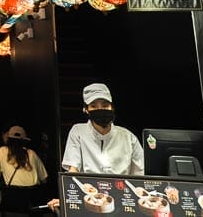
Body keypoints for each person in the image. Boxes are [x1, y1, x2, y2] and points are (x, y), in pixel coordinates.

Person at [47, 83, 144, 213]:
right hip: (88, 201)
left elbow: (139, 175)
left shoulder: (128, 137)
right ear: (86, 110)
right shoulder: (77, 131)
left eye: (105, 105)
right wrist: (68, 198)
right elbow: (73, 170)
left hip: (122, 202)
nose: (100, 109)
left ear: (112, 107)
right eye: (94, 106)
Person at [0, 126, 49, 217]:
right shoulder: (32, 154)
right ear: (24, 140)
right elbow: (44, 179)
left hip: (12, 201)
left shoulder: (2, 151)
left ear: (9, 139)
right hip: (31, 200)